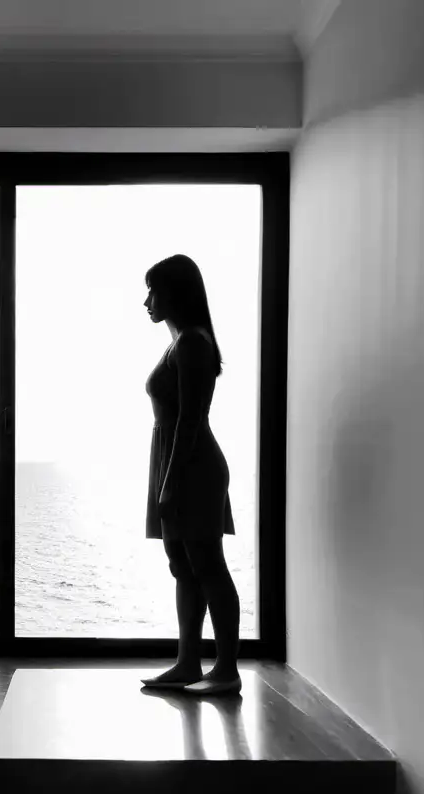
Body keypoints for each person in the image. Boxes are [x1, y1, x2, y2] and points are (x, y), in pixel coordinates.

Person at [139, 254, 241, 695]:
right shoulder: (179, 342)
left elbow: (190, 421)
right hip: (177, 461)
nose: (146, 301)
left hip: (192, 465)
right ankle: (187, 663)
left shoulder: (193, 343)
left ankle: (226, 671)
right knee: (183, 567)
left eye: (153, 290)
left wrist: (171, 481)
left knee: (208, 565)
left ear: (174, 293)